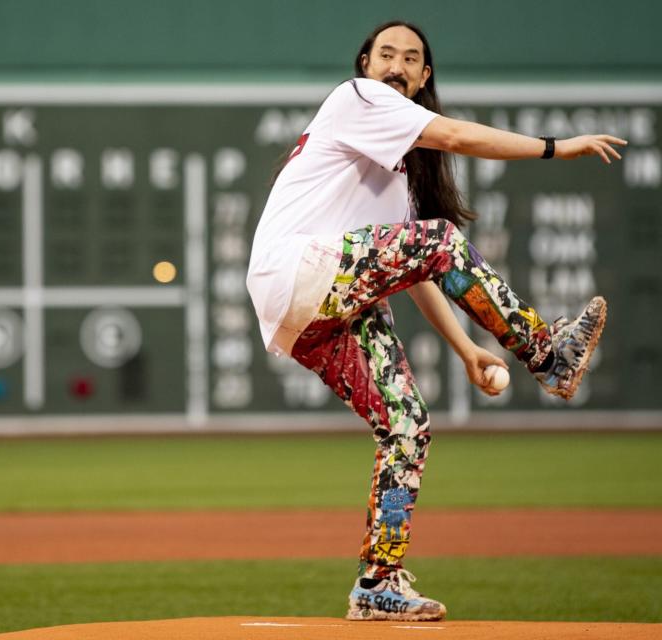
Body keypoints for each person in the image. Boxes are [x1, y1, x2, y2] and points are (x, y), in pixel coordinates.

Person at [245, 20, 625, 622]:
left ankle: (378, 583)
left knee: (407, 424)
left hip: (310, 313)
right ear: (365, 64)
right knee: (442, 239)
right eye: (386, 54)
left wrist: (467, 349)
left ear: (425, 77)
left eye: (411, 58)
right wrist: (556, 147)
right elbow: (452, 137)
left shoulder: (396, 181)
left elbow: (415, 271)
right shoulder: (357, 97)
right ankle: (547, 355)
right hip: (296, 271)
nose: (396, 65)